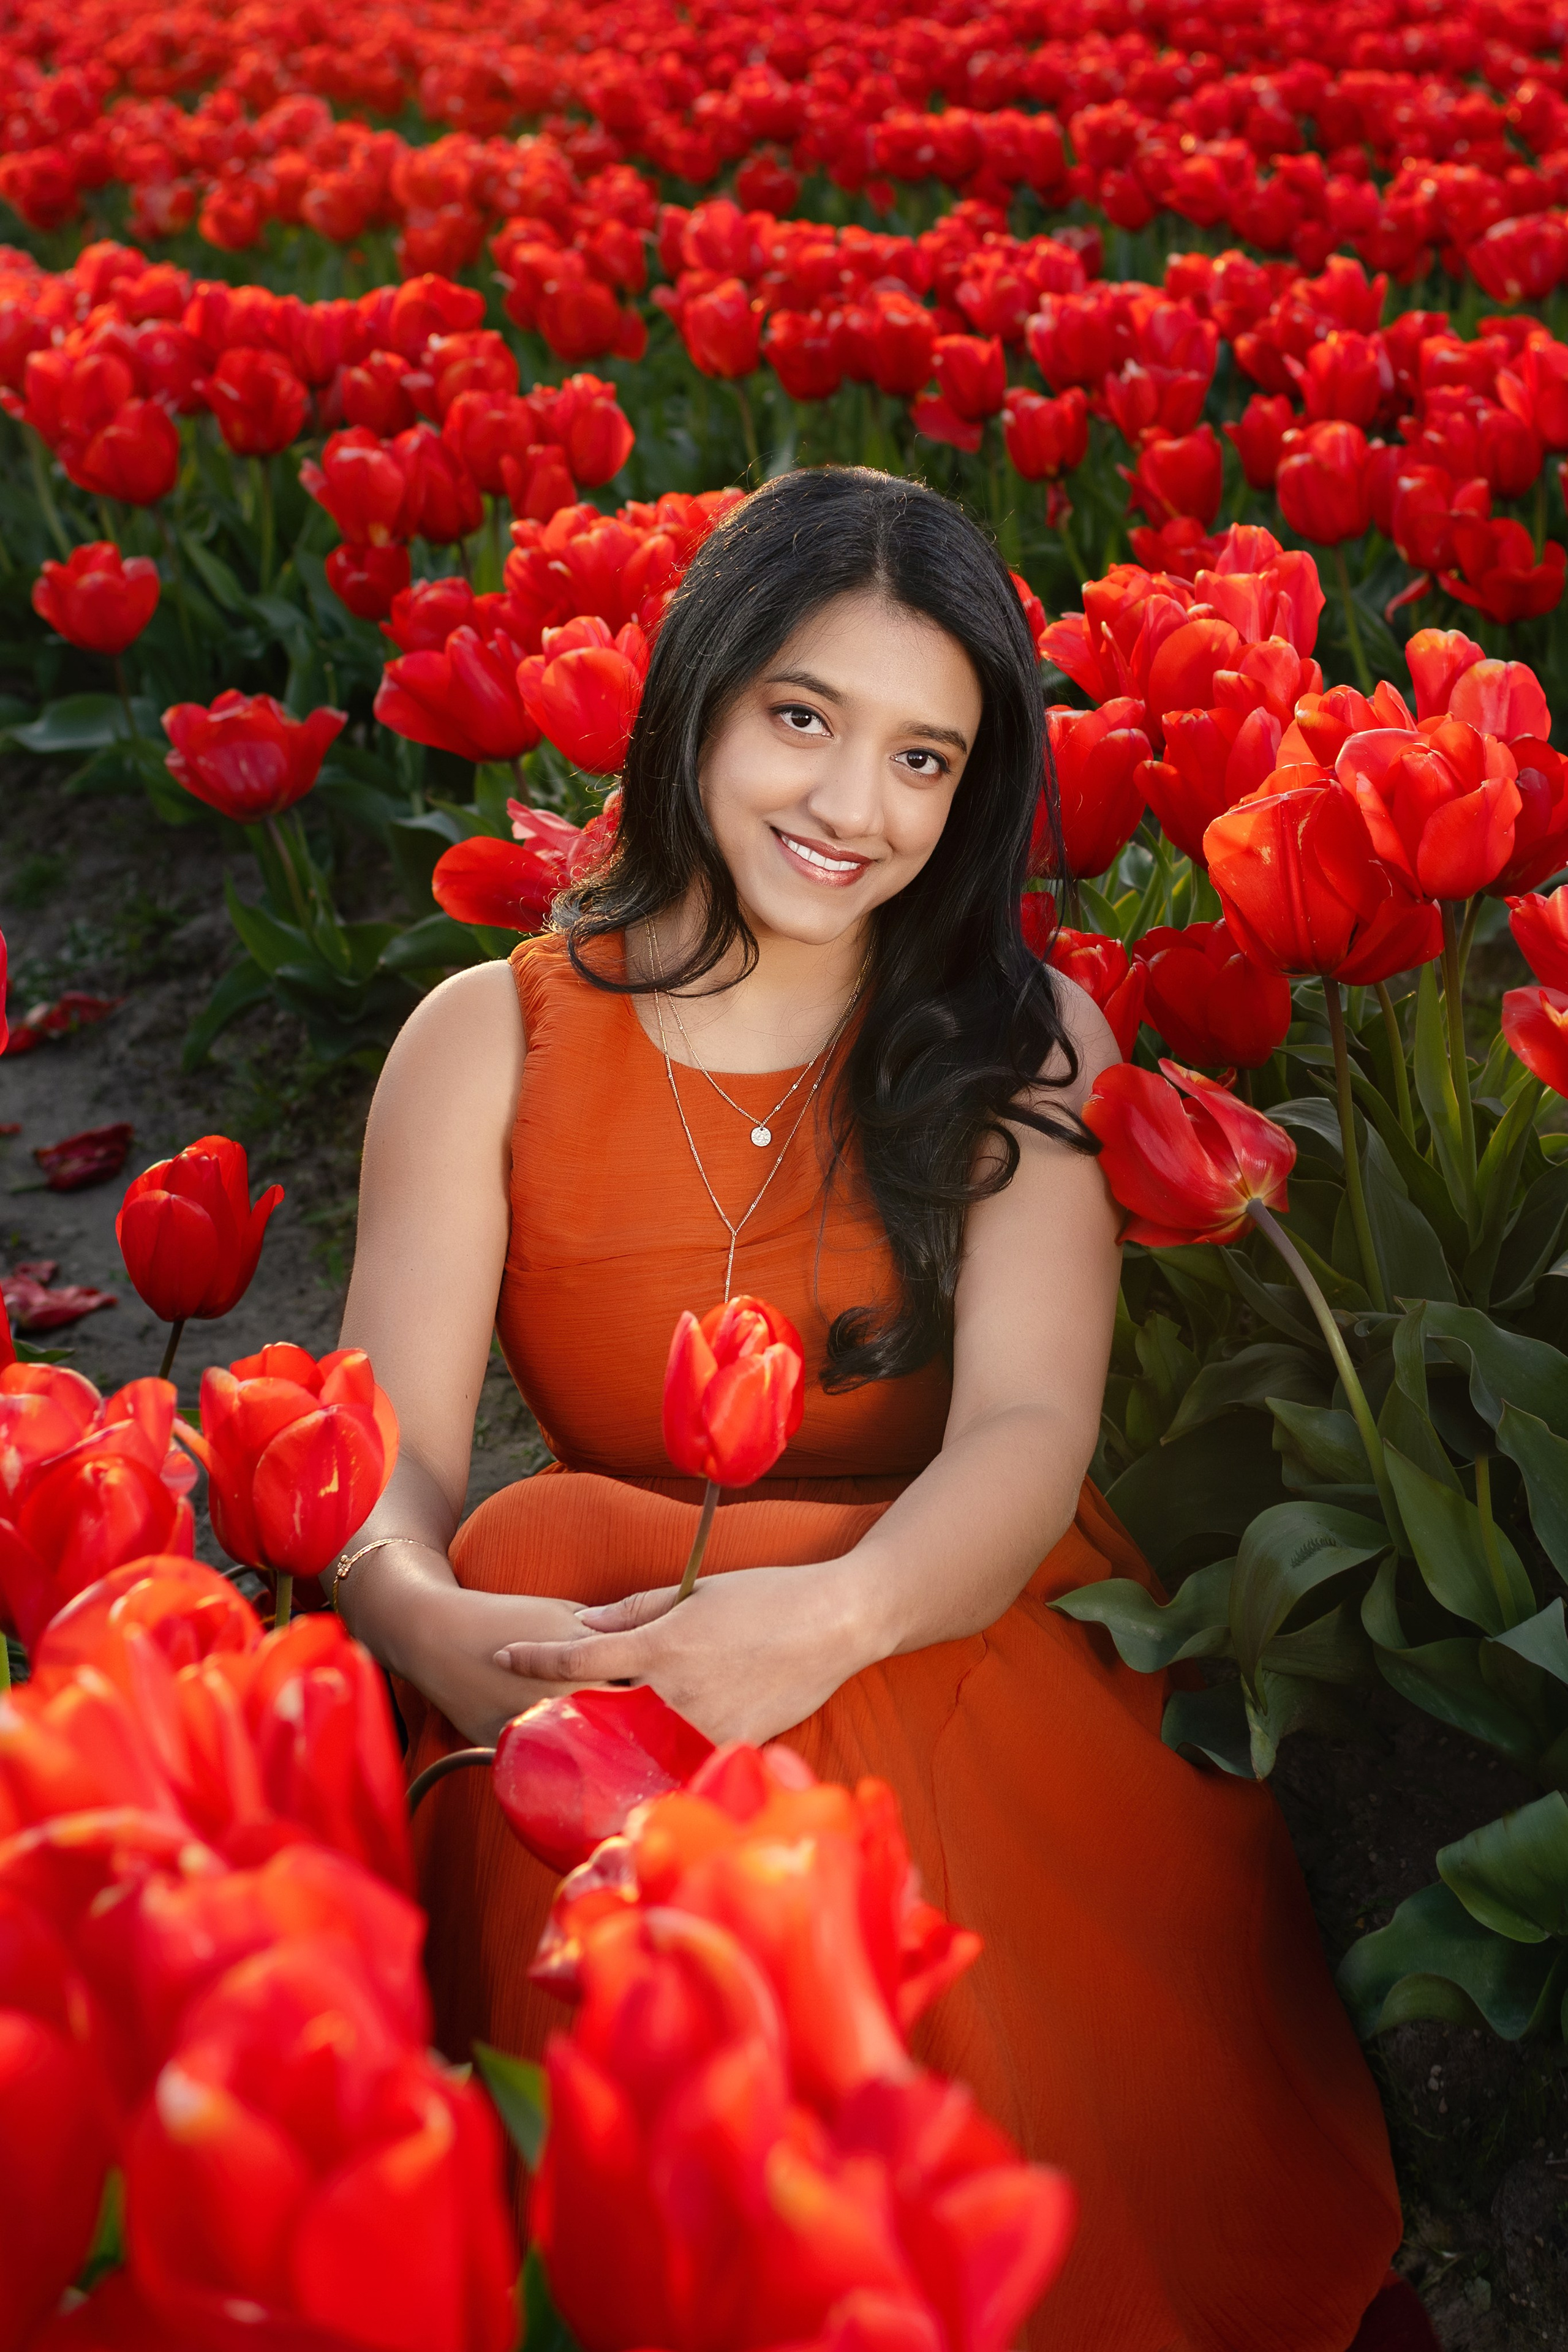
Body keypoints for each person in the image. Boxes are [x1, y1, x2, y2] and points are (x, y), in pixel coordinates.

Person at [336, 466, 1404, 2351]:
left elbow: (1020, 1436)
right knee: (538, 1545)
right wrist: (431, 1618)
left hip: (943, 1609)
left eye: (926, 760)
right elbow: (391, 1469)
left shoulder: (1020, 1039)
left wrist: (820, 1623)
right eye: (805, 721)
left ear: (978, 791)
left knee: (831, 1741)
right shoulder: (483, 1041)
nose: (851, 808)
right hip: (610, 1637)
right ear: (700, 697)